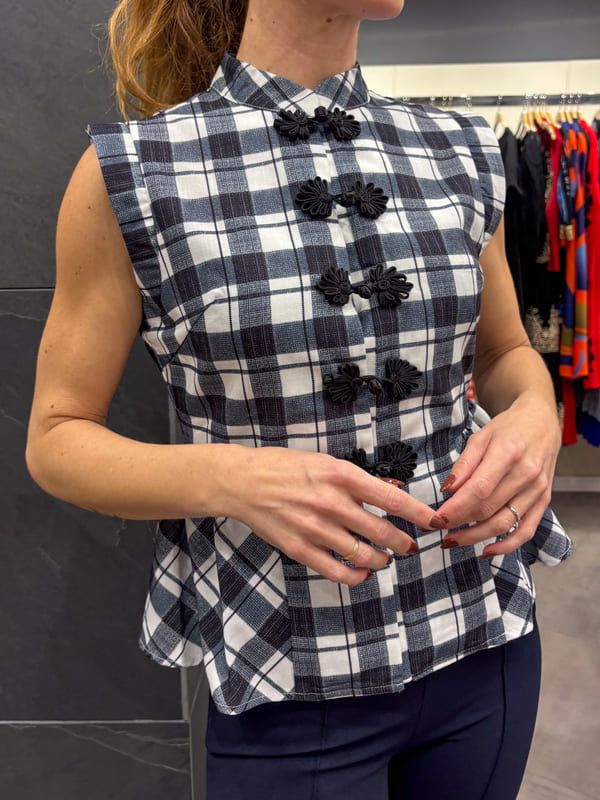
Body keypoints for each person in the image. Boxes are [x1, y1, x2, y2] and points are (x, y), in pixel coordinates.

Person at [25, 1, 574, 797]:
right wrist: (234, 479)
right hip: (288, 671)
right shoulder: (136, 172)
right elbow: (56, 436)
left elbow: (504, 354)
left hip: (481, 635)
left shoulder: (458, 149)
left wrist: (535, 415)